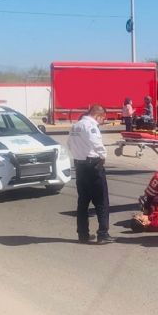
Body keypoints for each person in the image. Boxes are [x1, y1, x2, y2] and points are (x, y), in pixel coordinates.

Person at [67, 104, 114, 244]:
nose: (102, 121)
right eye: (102, 118)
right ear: (97, 115)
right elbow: (96, 143)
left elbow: (69, 144)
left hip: (79, 166)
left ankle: (83, 234)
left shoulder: (76, 126)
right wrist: (103, 156)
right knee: (101, 201)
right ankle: (103, 234)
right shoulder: (91, 126)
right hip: (93, 165)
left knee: (83, 201)